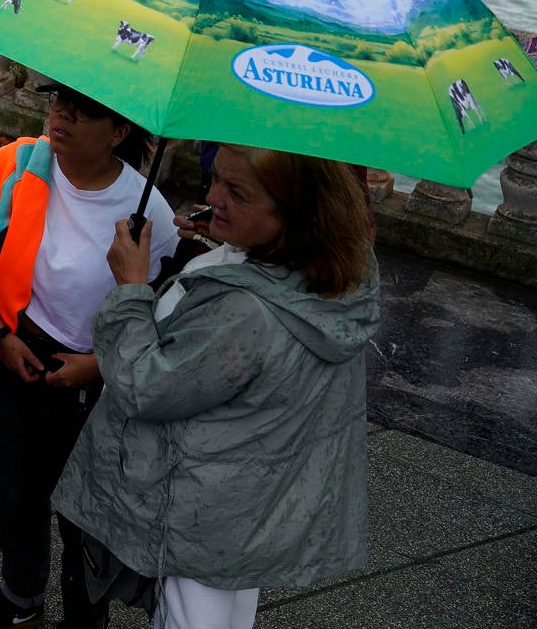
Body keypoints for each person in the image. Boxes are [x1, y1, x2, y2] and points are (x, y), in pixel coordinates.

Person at [54, 147, 379, 629]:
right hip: (252, 498)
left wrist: (129, 287)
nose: (212, 198)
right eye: (216, 180)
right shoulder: (340, 272)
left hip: (196, 507)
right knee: (231, 608)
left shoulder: (244, 310)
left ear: (294, 212)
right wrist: (232, 245)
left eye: (237, 192)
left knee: (190, 614)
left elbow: (144, 386)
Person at [0, 86, 177, 629]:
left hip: (99, 379)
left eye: (83, 110)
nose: (61, 115)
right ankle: (22, 596)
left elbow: (165, 315)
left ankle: (83, 617)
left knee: (85, 514)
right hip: (18, 352)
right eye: (57, 103)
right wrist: (2, 335)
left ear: (119, 132)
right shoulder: (17, 166)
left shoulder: (149, 213)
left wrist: (95, 365)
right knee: (9, 493)